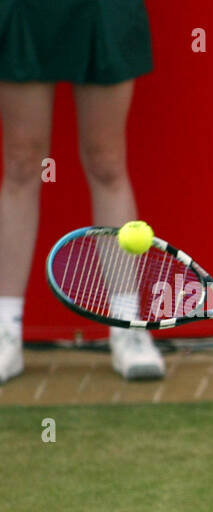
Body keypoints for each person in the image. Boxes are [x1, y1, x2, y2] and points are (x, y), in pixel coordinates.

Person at [0, 0, 164, 382]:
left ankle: (126, 323)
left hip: (102, 10)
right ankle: (5, 328)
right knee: (21, 163)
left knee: (107, 162)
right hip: (25, 11)